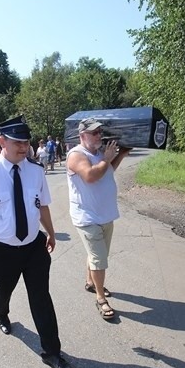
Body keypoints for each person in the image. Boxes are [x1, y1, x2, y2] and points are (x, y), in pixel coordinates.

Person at [0, 116, 76, 368]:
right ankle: (0, 313)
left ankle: (52, 353)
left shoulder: (35, 170)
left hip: (33, 247)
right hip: (2, 250)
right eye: (17, 143)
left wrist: (51, 232)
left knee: (41, 298)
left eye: (26, 142)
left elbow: (42, 204)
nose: (24, 148)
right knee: (4, 290)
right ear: (2, 142)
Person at [66, 118, 132, 321]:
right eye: (94, 133)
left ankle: (90, 281)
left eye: (99, 132)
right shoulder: (77, 155)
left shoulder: (99, 154)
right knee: (99, 259)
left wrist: (119, 155)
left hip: (104, 214)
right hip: (87, 217)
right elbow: (91, 176)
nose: (98, 136)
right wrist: (107, 158)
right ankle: (100, 297)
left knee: (97, 255)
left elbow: (108, 171)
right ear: (82, 135)